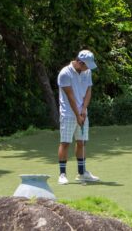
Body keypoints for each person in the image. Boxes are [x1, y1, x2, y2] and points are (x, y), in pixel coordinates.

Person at [57, 49, 99, 184]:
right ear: (80, 62)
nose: (88, 68)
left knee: (81, 142)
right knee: (65, 143)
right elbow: (70, 97)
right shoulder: (65, 73)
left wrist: (84, 110)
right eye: (87, 65)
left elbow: (88, 91)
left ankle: (82, 173)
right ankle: (62, 175)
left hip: (82, 113)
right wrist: (77, 115)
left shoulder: (87, 72)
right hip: (68, 113)